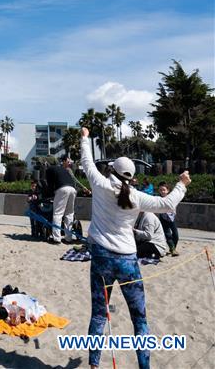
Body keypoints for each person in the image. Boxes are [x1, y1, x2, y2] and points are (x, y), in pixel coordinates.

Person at [80, 126, 190, 369]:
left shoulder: (99, 183)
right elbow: (167, 203)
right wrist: (182, 184)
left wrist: (85, 138)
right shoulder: (136, 196)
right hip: (127, 260)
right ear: (130, 177)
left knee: (98, 314)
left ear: (112, 171)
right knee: (139, 319)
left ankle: (94, 365)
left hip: (101, 256)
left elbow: (87, 161)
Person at [45, 154, 88, 244]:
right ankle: (68, 238)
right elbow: (73, 180)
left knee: (58, 214)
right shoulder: (64, 169)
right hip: (72, 189)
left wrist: (50, 194)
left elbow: (50, 184)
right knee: (69, 214)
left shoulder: (50, 169)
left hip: (62, 189)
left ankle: (56, 239)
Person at [157, 183, 179, 255]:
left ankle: (173, 248)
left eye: (164, 190)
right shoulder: (159, 199)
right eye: (161, 190)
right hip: (163, 218)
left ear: (168, 191)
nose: (162, 191)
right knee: (168, 235)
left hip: (172, 218)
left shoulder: (171, 198)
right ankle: (172, 249)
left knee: (176, 235)